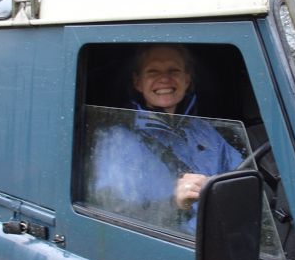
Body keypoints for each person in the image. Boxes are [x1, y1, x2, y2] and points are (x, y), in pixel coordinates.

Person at [85, 44, 244, 233]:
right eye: (153, 71)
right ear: (138, 82)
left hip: (224, 235)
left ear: (186, 79)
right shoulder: (116, 140)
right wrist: (174, 203)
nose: (164, 79)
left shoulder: (203, 129)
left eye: (173, 70)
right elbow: (112, 214)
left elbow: (240, 178)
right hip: (173, 246)